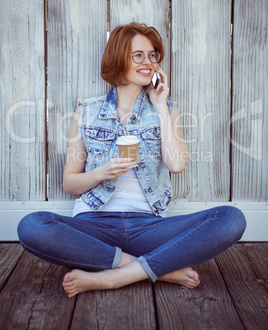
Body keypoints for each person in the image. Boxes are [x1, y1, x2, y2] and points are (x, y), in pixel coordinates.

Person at [17, 22, 246, 298]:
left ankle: (113, 278)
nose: (147, 62)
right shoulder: (86, 110)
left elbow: (176, 164)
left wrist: (161, 105)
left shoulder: (167, 109)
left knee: (231, 219)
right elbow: (70, 183)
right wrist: (102, 172)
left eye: (152, 55)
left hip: (149, 227)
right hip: (94, 225)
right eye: (138, 55)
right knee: (31, 226)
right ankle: (157, 269)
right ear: (117, 58)